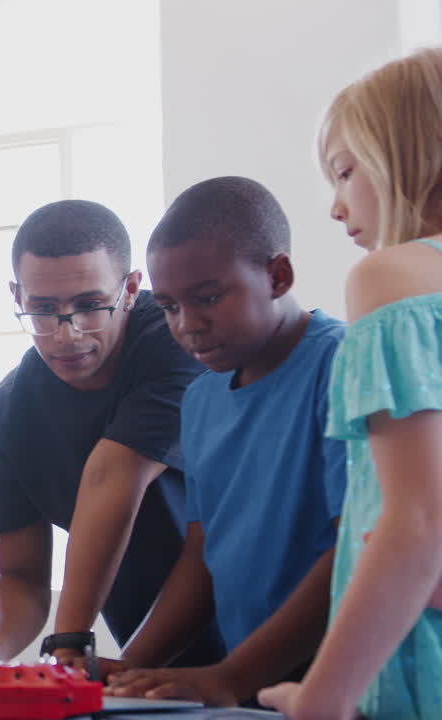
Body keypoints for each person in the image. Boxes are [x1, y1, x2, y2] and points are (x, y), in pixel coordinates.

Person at [103, 176, 346, 706]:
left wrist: (235, 675)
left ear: (277, 276)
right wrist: (127, 668)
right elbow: (203, 553)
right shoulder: (201, 398)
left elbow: (355, 549)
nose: (187, 325)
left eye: (208, 297)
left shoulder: (344, 365)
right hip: (256, 688)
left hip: (344, 683)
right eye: (167, 307)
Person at [259, 48, 442, 720]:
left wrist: (319, 702)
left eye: (344, 172)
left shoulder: (392, 277)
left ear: (410, 152)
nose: (336, 207)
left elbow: (420, 522)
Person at [0, 199, 223, 666]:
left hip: (261, 644)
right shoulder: (8, 413)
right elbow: (21, 576)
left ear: (129, 289)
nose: (67, 334)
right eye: (42, 310)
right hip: (150, 668)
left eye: (89, 306)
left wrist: (66, 646)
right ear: (17, 295)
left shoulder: (180, 340)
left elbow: (115, 475)